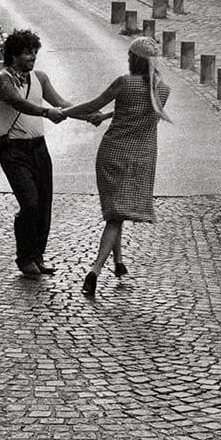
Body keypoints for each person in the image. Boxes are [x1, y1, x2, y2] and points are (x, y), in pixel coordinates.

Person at [60, 36, 172, 297]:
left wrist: (62, 113)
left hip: (114, 154)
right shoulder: (163, 90)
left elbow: (93, 105)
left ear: (134, 59)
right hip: (142, 157)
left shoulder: (124, 82)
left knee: (114, 214)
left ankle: (94, 271)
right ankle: (119, 262)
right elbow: (141, 110)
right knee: (117, 212)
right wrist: (108, 115)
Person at [0, 29, 73, 279]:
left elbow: (61, 103)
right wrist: (47, 113)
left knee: (44, 204)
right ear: (13, 54)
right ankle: (24, 257)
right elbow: (18, 103)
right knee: (29, 203)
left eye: (35, 52)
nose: (32, 57)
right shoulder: (1, 79)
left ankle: (37, 256)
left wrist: (89, 113)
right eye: (27, 52)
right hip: (14, 150)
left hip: (39, 147)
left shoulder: (39, 78)